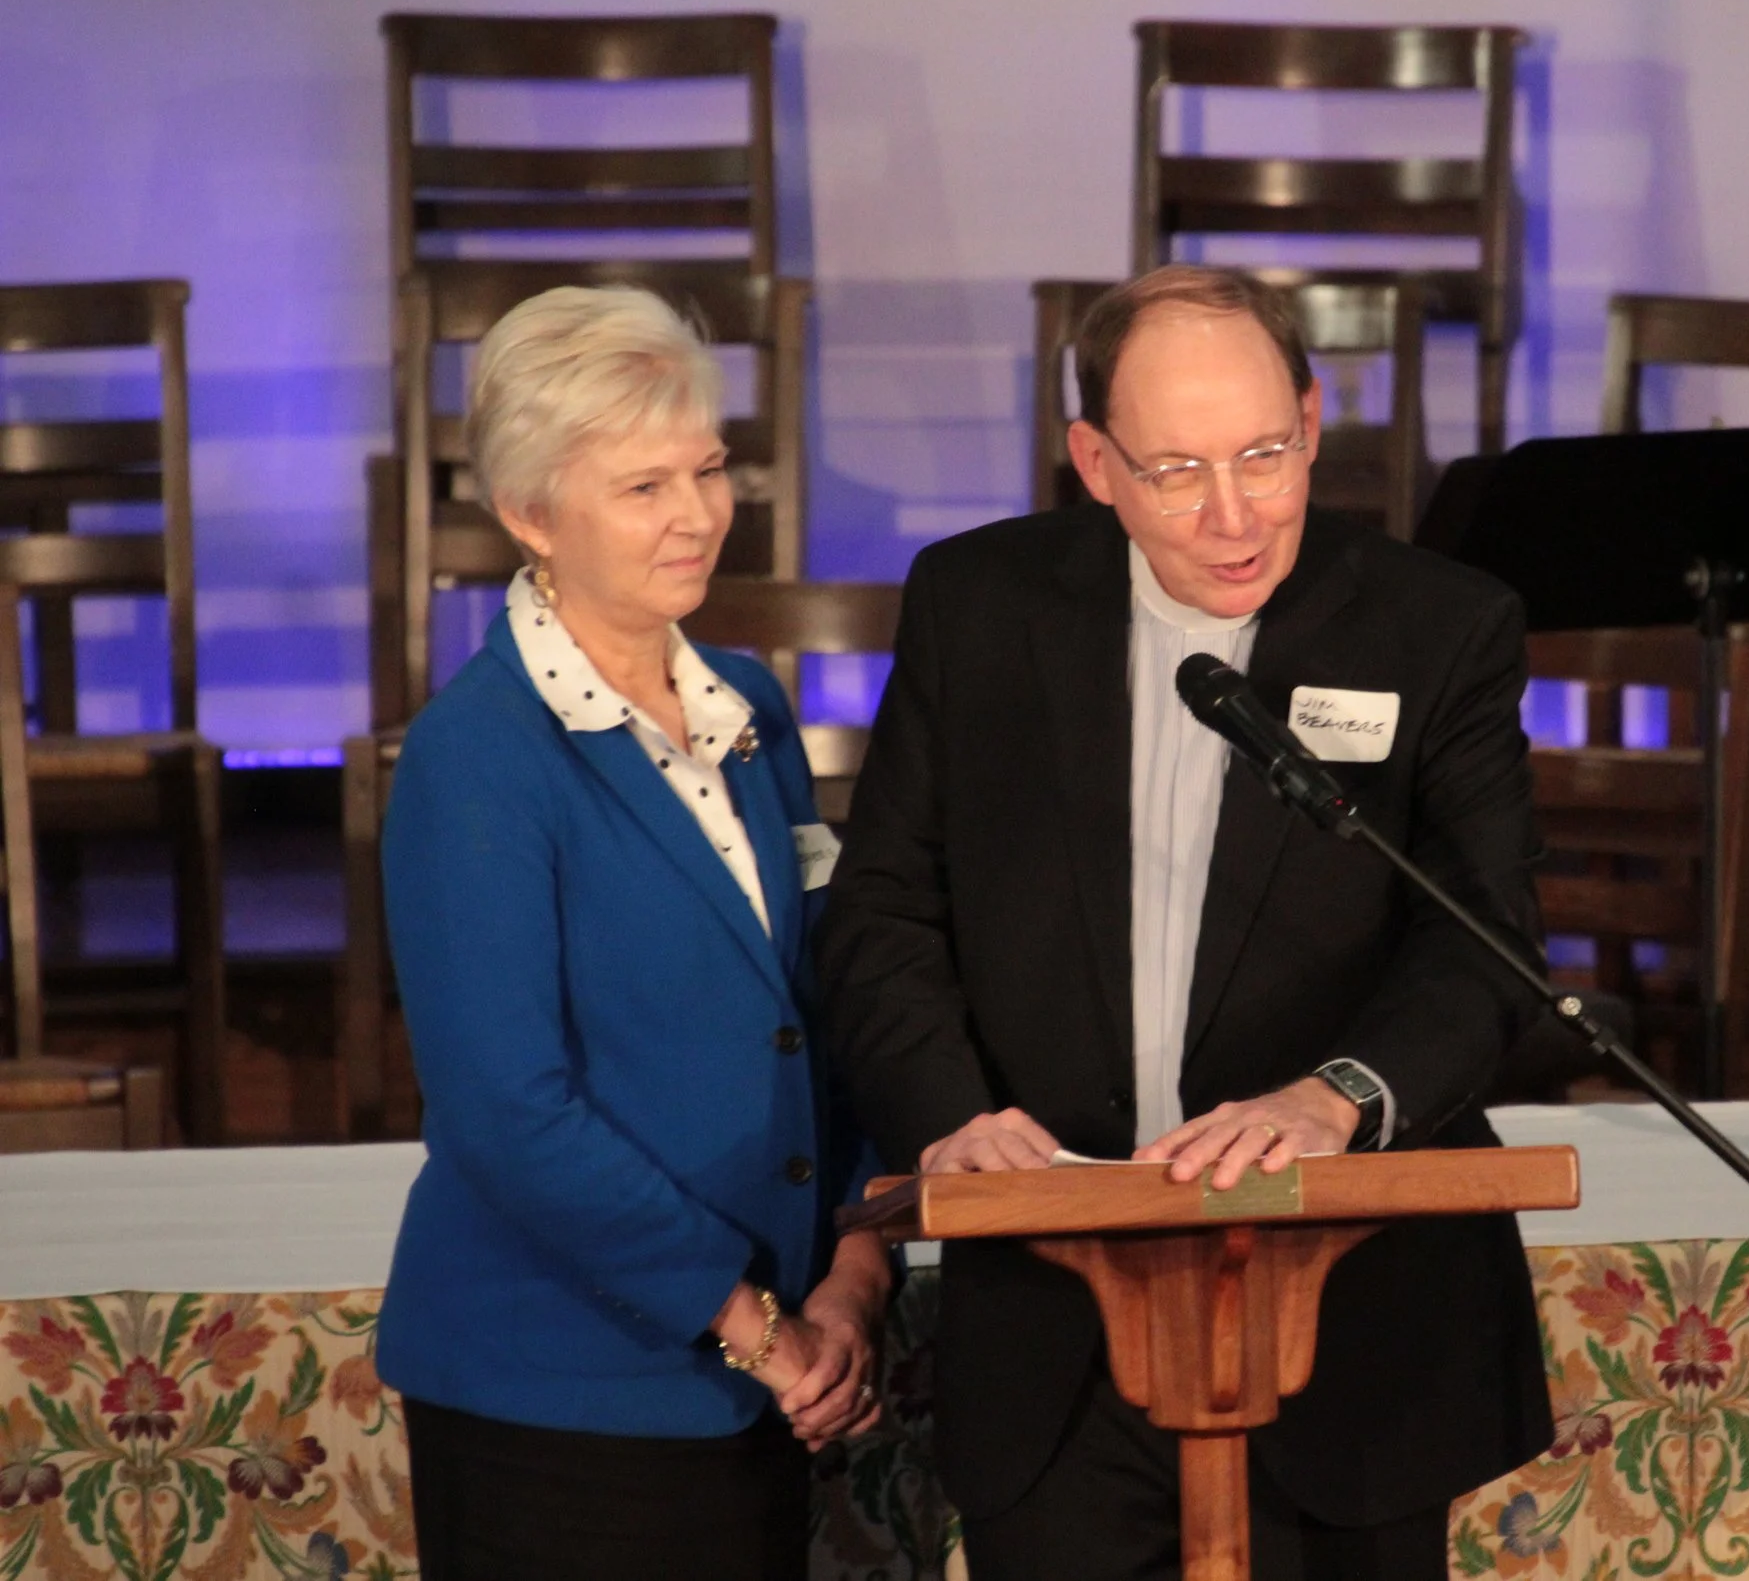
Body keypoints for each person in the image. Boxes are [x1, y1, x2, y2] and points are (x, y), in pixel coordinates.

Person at [819, 264, 1552, 1578]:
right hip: (1053, 1334)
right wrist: (949, 1117)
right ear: (1096, 463)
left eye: (1265, 455)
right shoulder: (979, 605)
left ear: (1313, 424)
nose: (1233, 515)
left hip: (1350, 1339)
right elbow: (883, 909)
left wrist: (1336, 1096)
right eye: (1176, 472)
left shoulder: (1439, 627)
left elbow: (1481, 941)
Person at [376, 285, 892, 1581]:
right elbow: (507, 1113)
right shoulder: (474, 756)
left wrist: (854, 1268)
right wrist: (758, 1329)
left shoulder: (751, 709)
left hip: (759, 1385)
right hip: (562, 1399)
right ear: (530, 513)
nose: (699, 514)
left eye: (708, 469)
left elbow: (824, 1009)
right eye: (645, 485)